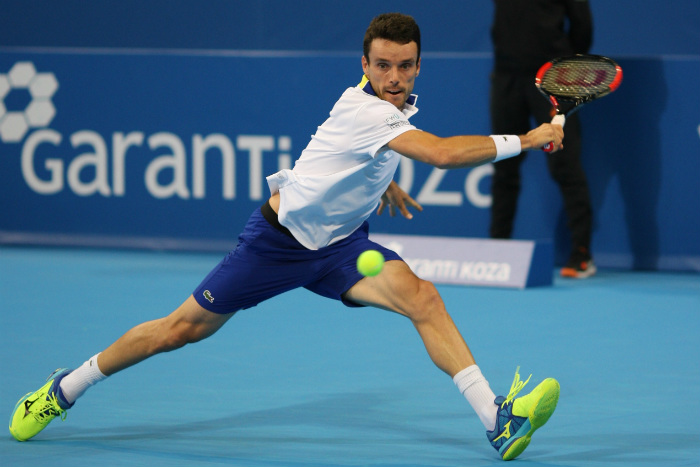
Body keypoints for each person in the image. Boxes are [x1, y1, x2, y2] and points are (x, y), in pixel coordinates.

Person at [10, 13, 564, 461]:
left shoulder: (391, 111)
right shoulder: (366, 109)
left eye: (405, 66)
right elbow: (442, 154)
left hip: (341, 248)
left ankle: (497, 420)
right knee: (177, 331)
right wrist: (530, 137)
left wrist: (384, 184)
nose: (395, 77)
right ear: (365, 66)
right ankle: (65, 388)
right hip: (276, 245)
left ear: (419, 66)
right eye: (384, 66)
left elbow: (374, 155)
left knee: (423, 296)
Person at [489, 0, 597, 278]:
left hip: (554, 76)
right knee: (503, 163)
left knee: (566, 166)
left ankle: (581, 253)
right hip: (506, 76)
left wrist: (566, 68)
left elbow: (582, 26)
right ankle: (496, 251)